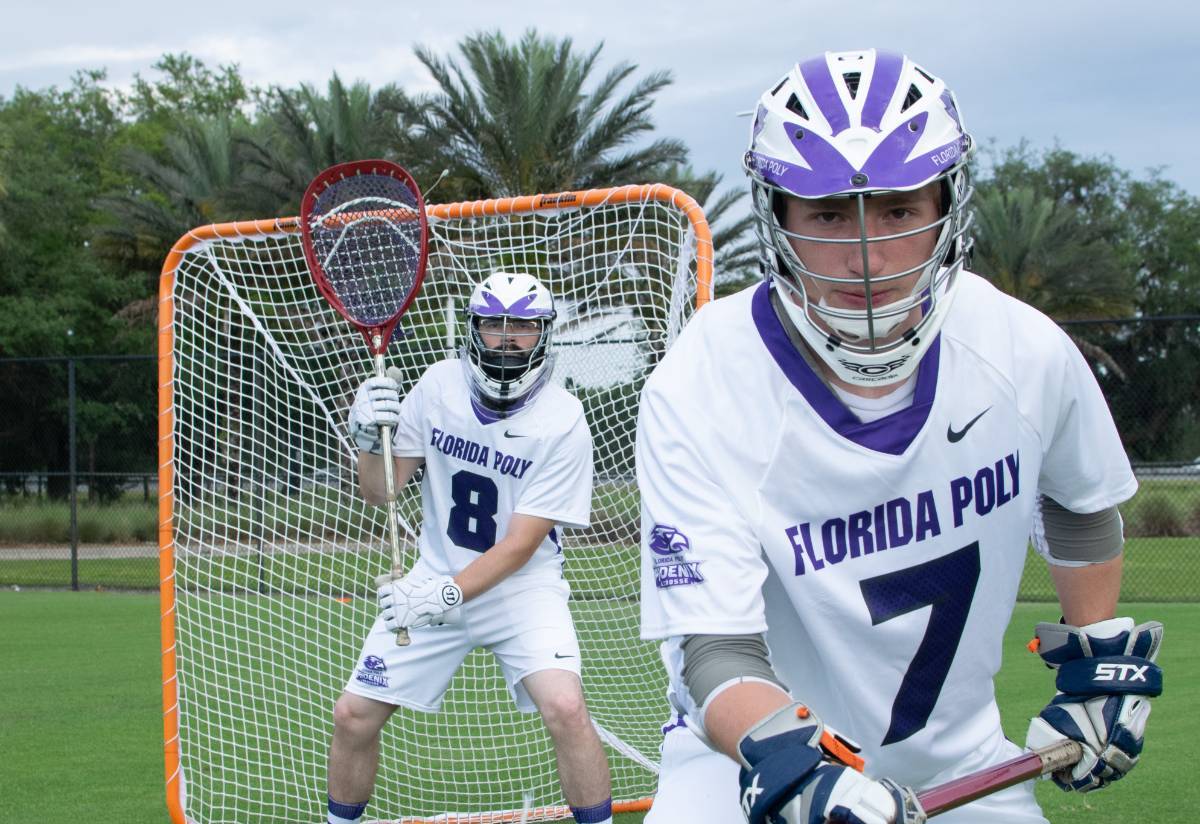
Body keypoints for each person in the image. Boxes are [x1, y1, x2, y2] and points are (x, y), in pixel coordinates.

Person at [636, 49, 1163, 824]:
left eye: (896, 210)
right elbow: (716, 651)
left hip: (967, 767)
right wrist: (794, 761)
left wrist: (1095, 656)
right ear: (776, 218)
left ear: (945, 206)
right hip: (758, 764)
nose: (868, 257)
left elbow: (1081, 506)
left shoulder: (1022, 349)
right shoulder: (704, 381)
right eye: (825, 215)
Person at [325, 272, 613, 824]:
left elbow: (522, 545)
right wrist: (364, 438)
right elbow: (381, 490)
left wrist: (445, 595)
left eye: (523, 324)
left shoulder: (563, 419)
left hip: (520, 592)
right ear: (474, 328)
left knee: (567, 708)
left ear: (545, 333)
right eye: (493, 322)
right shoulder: (437, 387)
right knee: (353, 715)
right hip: (433, 578)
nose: (507, 336)